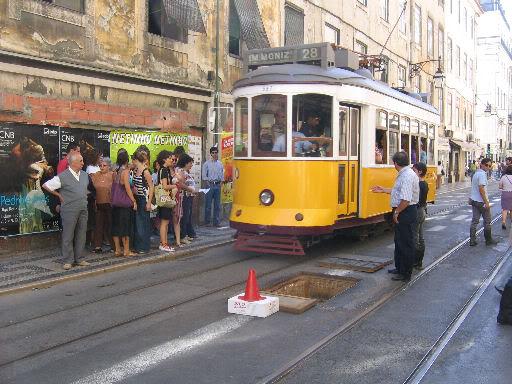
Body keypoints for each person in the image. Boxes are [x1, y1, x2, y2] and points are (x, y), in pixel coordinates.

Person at [371, 151, 419, 282]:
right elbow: (399, 192)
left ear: (395, 163)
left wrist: (397, 212)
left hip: (406, 211)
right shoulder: (404, 174)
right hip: (404, 209)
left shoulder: (407, 176)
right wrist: (384, 190)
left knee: (405, 243)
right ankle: (399, 267)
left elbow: (406, 199)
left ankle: (405, 273)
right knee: (399, 241)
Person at [42, 152, 90, 270]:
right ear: (73, 163)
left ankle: (79, 258)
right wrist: (58, 195)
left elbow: (85, 188)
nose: (83, 163)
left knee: (81, 233)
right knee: (68, 234)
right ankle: (68, 260)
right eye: (81, 161)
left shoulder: (84, 175)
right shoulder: (63, 176)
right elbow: (46, 185)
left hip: (83, 207)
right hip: (69, 209)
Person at [111, 150, 137, 257]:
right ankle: (126, 250)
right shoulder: (125, 172)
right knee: (125, 227)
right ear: (127, 160)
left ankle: (117, 250)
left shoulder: (115, 171)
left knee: (116, 226)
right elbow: (127, 188)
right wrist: (134, 201)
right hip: (124, 204)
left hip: (115, 203)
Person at [469, 158, 498, 246]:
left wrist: (470, 197)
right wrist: (486, 202)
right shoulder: (482, 174)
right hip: (481, 202)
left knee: (474, 221)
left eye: (490, 166)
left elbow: (473, 187)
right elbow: (481, 189)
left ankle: (472, 240)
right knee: (487, 221)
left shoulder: (476, 173)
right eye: (487, 165)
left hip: (474, 200)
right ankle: (488, 240)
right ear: (482, 164)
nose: (488, 167)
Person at [131, 150, 154, 254]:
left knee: (143, 223)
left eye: (134, 160)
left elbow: (151, 187)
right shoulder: (136, 170)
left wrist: (149, 202)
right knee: (137, 223)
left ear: (136, 160)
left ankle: (144, 247)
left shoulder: (146, 172)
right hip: (137, 198)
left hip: (143, 199)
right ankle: (138, 246)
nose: (132, 162)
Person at [90, 157, 114, 253]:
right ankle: (97, 246)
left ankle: (113, 245)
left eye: (104, 165)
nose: (102, 167)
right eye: (100, 165)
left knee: (110, 224)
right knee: (98, 225)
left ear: (109, 166)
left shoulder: (112, 175)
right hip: (99, 203)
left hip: (109, 203)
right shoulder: (96, 175)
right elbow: (91, 188)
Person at [156, 150, 177, 252]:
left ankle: (164, 243)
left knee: (165, 222)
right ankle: (163, 244)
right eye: (169, 158)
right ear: (164, 159)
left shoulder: (165, 170)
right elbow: (165, 186)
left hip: (165, 199)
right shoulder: (163, 170)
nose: (171, 160)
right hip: (165, 198)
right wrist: (175, 186)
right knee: (164, 223)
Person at [177, 154, 198, 243]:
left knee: (187, 216)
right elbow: (181, 185)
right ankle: (182, 236)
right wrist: (191, 189)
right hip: (184, 197)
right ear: (185, 163)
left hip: (188, 196)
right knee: (184, 216)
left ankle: (185, 234)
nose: (191, 165)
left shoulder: (185, 172)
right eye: (190, 163)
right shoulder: (181, 171)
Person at [202, 146, 224, 227]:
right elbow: (204, 176)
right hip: (210, 185)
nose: (215, 154)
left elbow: (222, 175)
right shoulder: (206, 164)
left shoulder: (220, 164)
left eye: (216, 152)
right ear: (210, 154)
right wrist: (208, 184)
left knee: (217, 205)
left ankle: (216, 222)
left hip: (218, 185)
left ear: (217, 153)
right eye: (213, 153)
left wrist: (220, 184)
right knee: (208, 205)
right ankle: (207, 222)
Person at [413, 162, 429, 270]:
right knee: (420, 237)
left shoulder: (419, 185)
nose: (412, 173)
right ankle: (419, 261)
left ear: (419, 172)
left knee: (415, 237)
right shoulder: (425, 184)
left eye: (414, 171)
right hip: (422, 210)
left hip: (418, 211)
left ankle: (416, 261)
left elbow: (416, 200)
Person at [498, 165, 512, 230]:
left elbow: (500, 187)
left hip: (505, 193)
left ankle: (503, 222)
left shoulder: (503, 177)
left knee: (505, 209)